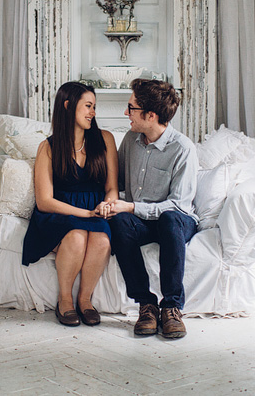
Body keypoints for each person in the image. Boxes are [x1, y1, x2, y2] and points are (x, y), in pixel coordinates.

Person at [105, 79, 199, 339]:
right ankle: (146, 304)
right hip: (141, 221)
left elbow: (179, 205)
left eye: (131, 108)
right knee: (119, 221)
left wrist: (133, 206)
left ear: (151, 115)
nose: (126, 113)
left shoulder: (183, 148)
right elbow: (119, 182)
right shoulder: (131, 139)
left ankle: (171, 307)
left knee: (169, 219)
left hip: (177, 221)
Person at [21, 82, 119, 327]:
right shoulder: (48, 147)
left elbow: (112, 188)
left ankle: (85, 300)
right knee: (76, 237)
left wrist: (108, 204)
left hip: (95, 209)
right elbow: (44, 201)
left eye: (94, 107)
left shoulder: (105, 139)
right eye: (88, 106)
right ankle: (64, 300)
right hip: (61, 211)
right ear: (68, 105)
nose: (92, 112)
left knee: (101, 239)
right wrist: (86, 212)